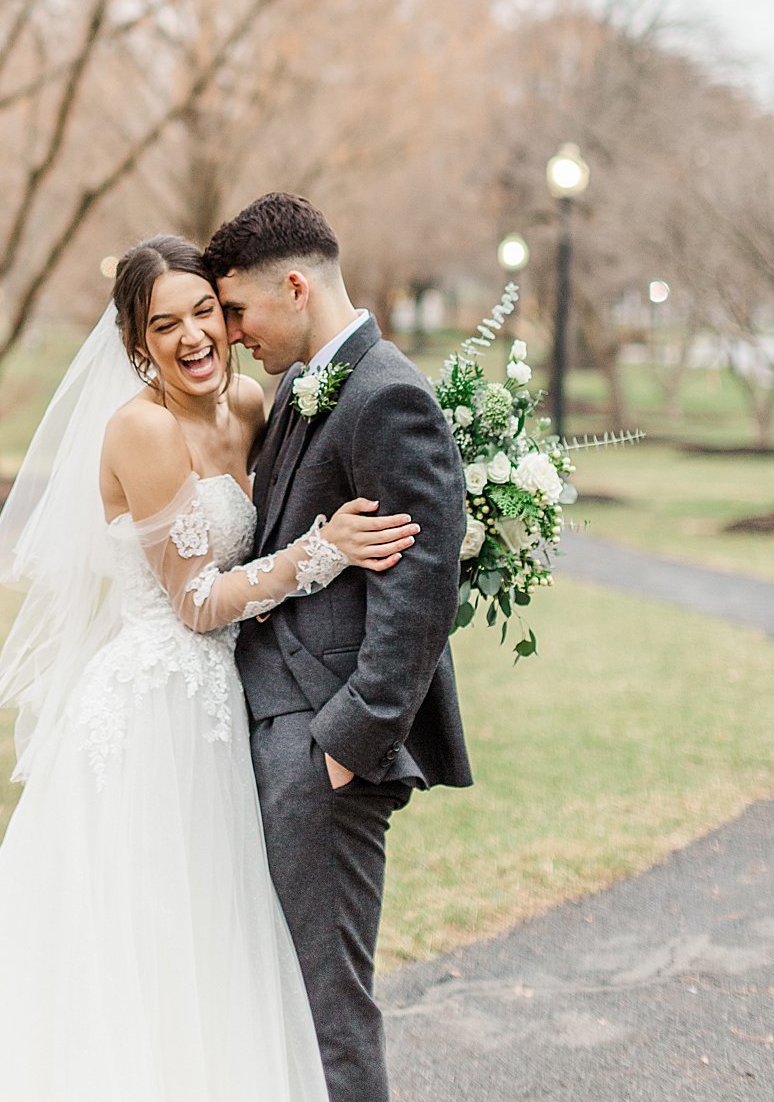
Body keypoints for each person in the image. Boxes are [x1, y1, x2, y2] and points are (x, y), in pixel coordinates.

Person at [0, 232, 420, 1101]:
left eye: (206, 313)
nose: (193, 336)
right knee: (136, 936)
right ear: (136, 344)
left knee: (216, 942)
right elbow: (194, 603)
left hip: (232, 704)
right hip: (159, 705)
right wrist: (323, 552)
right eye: (166, 325)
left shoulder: (250, 406)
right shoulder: (143, 430)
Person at [204, 192, 472, 1102]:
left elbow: (422, 584)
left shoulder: (387, 393)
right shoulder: (299, 387)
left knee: (327, 1009)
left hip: (319, 746)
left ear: (291, 286)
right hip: (267, 720)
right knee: (273, 993)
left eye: (236, 309)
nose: (231, 332)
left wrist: (346, 746)